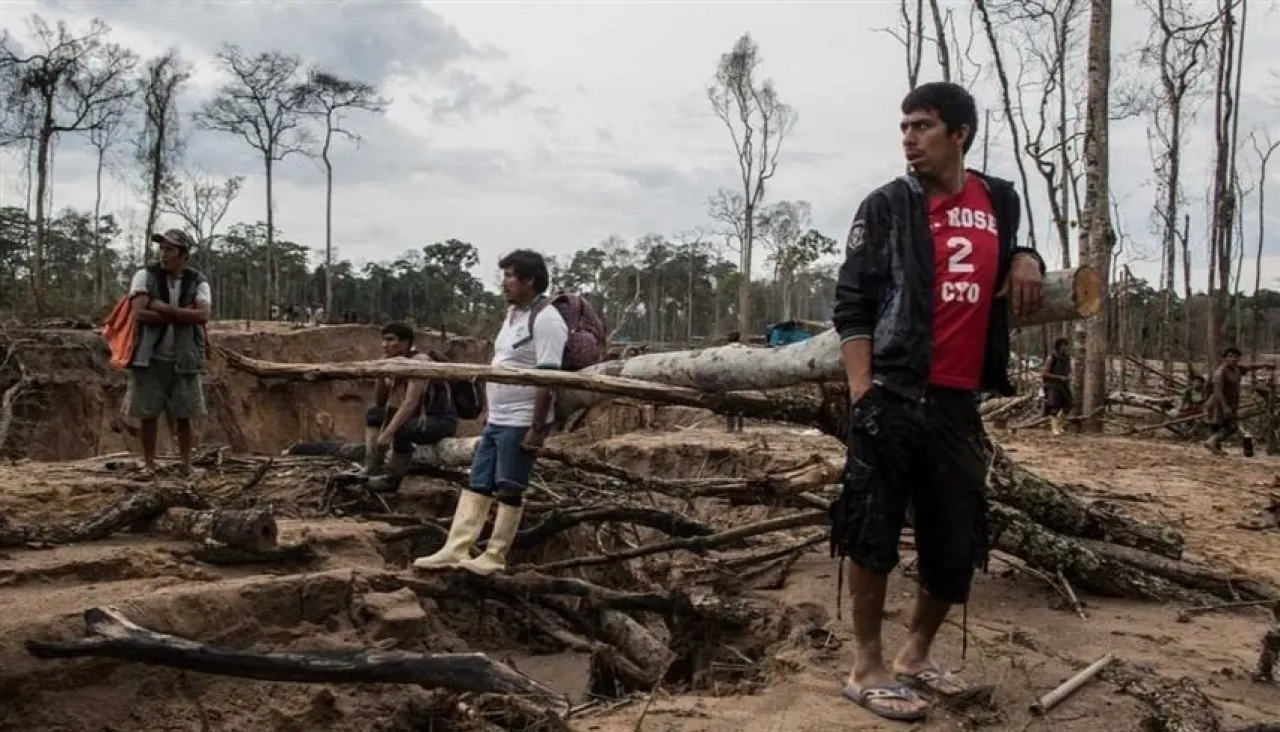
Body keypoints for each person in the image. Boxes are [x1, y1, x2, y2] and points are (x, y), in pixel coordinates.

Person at [829, 82, 1045, 722]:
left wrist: (1027, 255)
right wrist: (863, 391)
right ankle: (866, 666)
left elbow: (1006, 253)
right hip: (892, 392)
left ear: (960, 134)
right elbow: (853, 303)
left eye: (922, 126)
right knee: (872, 531)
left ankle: (915, 655)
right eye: (904, 127)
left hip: (957, 400)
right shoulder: (887, 205)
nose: (908, 139)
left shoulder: (998, 198)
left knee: (956, 538)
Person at [413, 249, 568, 576]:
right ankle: (456, 548)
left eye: (510, 276)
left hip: (522, 418)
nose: (504, 282)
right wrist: (487, 407)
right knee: (478, 481)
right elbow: (500, 364)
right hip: (498, 417)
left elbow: (549, 377)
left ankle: (495, 555)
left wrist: (538, 427)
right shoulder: (512, 316)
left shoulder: (548, 320)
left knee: (510, 485)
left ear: (530, 280)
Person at [124, 229, 212, 477]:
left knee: (185, 414)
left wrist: (161, 307)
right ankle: (149, 464)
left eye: (170, 249)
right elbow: (139, 313)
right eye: (162, 248)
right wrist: (184, 314)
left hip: (185, 358)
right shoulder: (144, 276)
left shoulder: (197, 281)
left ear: (183, 255)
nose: (164, 254)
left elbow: (203, 315)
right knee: (148, 414)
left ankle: (186, 465)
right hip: (148, 356)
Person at [360, 322, 458, 488]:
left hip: (439, 421)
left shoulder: (418, 362)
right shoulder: (395, 361)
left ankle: (393, 478)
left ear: (405, 342)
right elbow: (380, 402)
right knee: (374, 413)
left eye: (390, 340)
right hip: (416, 418)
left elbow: (410, 402)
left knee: (403, 428)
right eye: (383, 340)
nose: (384, 345)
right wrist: (381, 372)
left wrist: (388, 433)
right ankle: (373, 466)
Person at [1203, 347, 1274, 455]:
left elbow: (1248, 367)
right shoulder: (1221, 372)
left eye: (1235, 357)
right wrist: (1225, 406)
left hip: (1231, 402)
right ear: (1224, 358)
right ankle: (1211, 442)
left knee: (1219, 425)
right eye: (1230, 356)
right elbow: (1218, 391)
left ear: (1239, 358)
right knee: (1231, 426)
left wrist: (1264, 365)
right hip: (1219, 402)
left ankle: (1216, 449)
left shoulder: (1236, 369)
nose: (1233, 359)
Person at [1041, 337, 1072, 435]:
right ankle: (1054, 429)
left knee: (1069, 404)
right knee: (1055, 406)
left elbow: (1068, 370)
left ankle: (1060, 425)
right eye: (1063, 346)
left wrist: (1068, 376)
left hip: (1063, 384)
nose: (1065, 348)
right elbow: (1044, 373)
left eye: (1066, 346)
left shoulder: (1066, 358)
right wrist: (1058, 377)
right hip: (1052, 385)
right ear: (1058, 346)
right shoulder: (1051, 358)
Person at [725, 330, 745, 433]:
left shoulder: (724, 350)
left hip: (728, 379)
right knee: (740, 404)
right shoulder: (744, 349)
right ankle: (740, 428)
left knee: (729, 405)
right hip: (741, 378)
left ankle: (730, 428)